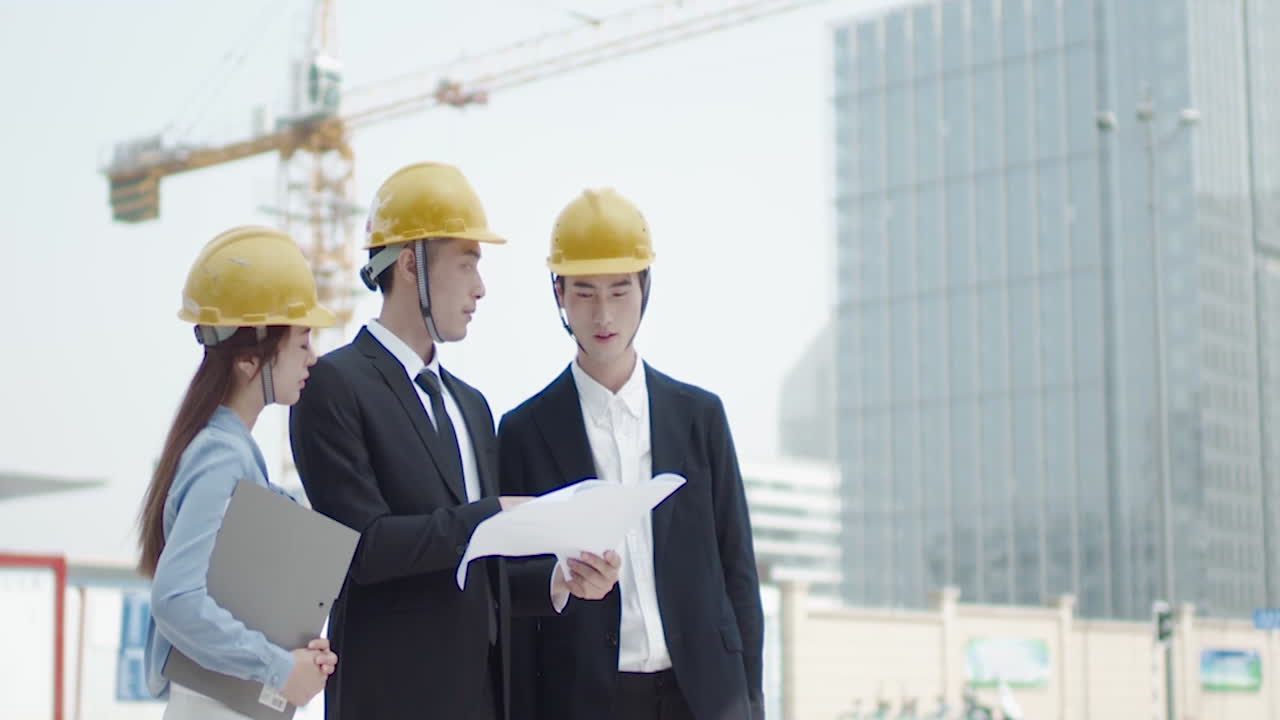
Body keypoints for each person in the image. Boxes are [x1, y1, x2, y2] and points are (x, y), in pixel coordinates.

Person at [289, 162, 621, 720]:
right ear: (411, 263)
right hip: (390, 702)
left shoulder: (472, 406)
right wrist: (494, 514)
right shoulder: (333, 386)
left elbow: (476, 568)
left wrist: (559, 578)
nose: (480, 288)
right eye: (467, 263)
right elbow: (363, 548)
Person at [498, 188, 765, 719]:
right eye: (584, 292)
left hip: (706, 695)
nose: (603, 314)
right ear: (559, 294)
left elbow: (738, 572)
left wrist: (752, 704)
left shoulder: (700, 417)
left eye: (620, 291)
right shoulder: (523, 432)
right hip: (585, 699)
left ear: (645, 289)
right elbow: (510, 585)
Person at [138, 225, 340, 718]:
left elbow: (229, 599)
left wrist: (296, 655)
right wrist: (278, 666)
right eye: (302, 341)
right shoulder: (222, 456)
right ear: (251, 359)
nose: (312, 357)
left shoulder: (228, 451)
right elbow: (176, 598)